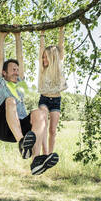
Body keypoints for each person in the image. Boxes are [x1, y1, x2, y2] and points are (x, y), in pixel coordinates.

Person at [0, 31, 59, 175]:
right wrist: (2, 37)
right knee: (10, 100)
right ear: (4, 73)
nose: (16, 72)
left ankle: (36, 160)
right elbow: (0, 58)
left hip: (19, 126)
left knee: (39, 113)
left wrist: (17, 36)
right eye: (13, 69)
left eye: (17, 69)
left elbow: (20, 58)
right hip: (2, 127)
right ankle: (22, 143)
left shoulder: (20, 83)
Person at [37, 26, 67, 162]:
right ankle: (44, 153)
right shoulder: (42, 68)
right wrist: (42, 34)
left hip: (56, 100)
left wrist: (62, 30)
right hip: (44, 99)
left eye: (45, 58)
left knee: (53, 130)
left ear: (52, 57)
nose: (43, 60)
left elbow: (61, 46)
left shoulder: (58, 63)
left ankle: (50, 155)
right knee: (43, 125)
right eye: (43, 57)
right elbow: (40, 50)